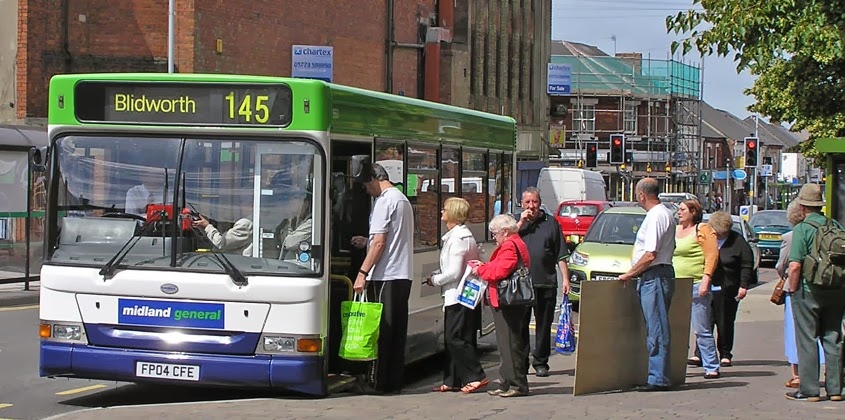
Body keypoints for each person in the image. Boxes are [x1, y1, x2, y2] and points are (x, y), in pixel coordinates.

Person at [350, 162, 414, 395]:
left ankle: (377, 382)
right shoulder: (402, 199)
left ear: (374, 179)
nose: (366, 190)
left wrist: (362, 273)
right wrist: (365, 242)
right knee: (396, 332)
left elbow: (380, 242)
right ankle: (393, 382)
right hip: (402, 274)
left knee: (381, 333)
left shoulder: (384, 201)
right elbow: (390, 239)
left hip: (385, 274)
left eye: (366, 185)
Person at [785, 184, 845, 402]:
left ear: (802, 206)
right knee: (833, 336)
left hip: (809, 290)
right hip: (837, 289)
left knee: (807, 339)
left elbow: (795, 266)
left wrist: (792, 290)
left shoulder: (802, 229)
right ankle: (836, 389)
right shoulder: (835, 225)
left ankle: (810, 390)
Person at [618, 178, 676, 392]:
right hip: (654, 275)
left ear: (642, 194)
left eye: (636, 193)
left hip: (655, 276)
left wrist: (629, 274)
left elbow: (651, 253)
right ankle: (657, 374)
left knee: (657, 328)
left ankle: (658, 377)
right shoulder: (660, 214)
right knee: (654, 326)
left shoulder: (656, 216)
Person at [425, 197, 487, 394]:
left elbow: (454, 272)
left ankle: (476, 376)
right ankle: (452, 380)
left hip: (458, 295)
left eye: (445, 209)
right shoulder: (458, 236)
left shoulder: (459, 239)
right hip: (460, 294)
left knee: (455, 338)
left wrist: (435, 280)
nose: (441, 212)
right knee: (457, 337)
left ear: (453, 214)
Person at [470, 214, 531, 398]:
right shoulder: (512, 243)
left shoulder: (510, 245)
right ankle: (506, 382)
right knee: (506, 344)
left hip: (508, 302)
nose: (494, 237)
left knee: (510, 344)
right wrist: (486, 266)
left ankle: (517, 384)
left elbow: (500, 270)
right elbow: (498, 266)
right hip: (508, 301)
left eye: (495, 233)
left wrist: (480, 270)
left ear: (505, 231)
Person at [514, 187, 571, 377]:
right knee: (520, 326)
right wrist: (521, 221)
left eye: (535, 202)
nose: (531, 206)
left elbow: (561, 254)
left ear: (540, 203)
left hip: (545, 282)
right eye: (527, 202)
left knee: (543, 325)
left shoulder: (551, 223)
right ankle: (520, 362)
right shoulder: (517, 224)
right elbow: (506, 242)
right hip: (522, 284)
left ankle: (540, 361)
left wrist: (566, 280)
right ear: (522, 204)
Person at [695, 211, 754, 367]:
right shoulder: (707, 239)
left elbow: (746, 265)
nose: (719, 236)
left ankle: (725, 353)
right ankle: (699, 353)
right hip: (706, 284)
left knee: (724, 321)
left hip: (728, 287)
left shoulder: (738, 242)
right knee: (705, 319)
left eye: (722, 234)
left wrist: (743, 286)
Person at [777, 201, 825, 389]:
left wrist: (791, 287)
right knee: (830, 333)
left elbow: (787, 265)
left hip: (802, 289)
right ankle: (833, 379)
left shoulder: (794, 234)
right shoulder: (833, 227)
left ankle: (800, 377)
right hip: (830, 287)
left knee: (799, 334)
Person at [673, 199, 720, 379]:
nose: (679, 212)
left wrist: (706, 280)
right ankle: (676, 364)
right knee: (676, 328)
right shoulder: (675, 230)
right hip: (675, 284)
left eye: (683, 209)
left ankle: (711, 365)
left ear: (693, 212)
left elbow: (712, 255)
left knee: (701, 328)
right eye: (679, 209)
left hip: (695, 284)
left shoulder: (702, 230)